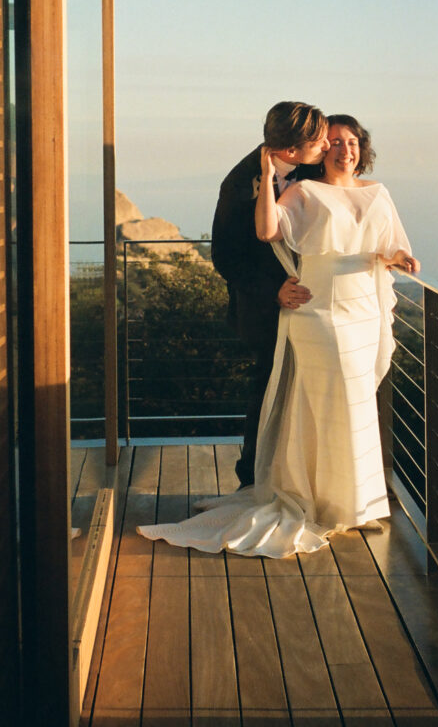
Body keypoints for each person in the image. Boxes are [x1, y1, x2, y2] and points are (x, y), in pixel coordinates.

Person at [138, 114, 419, 557]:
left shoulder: (373, 190)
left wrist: (399, 256)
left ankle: (355, 501)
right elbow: (243, 248)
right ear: (306, 147)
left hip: (364, 309)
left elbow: (381, 242)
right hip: (313, 306)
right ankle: (301, 492)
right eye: (331, 142)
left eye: (351, 142)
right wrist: (275, 285)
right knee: (308, 393)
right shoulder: (259, 184)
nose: (342, 149)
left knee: (348, 400)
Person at [210, 101, 329, 486]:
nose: (327, 146)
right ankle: (253, 477)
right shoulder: (239, 184)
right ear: (290, 151)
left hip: (313, 302)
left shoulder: (312, 168)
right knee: (267, 390)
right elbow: (225, 256)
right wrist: (273, 290)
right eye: (319, 141)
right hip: (264, 308)